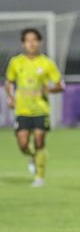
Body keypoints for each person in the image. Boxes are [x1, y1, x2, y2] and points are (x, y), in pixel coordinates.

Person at [4, 28, 64, 187]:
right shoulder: (16, 62)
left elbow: (60, 85)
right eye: (28, 40)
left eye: (34, 40)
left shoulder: (47, 63)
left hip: (41, 109)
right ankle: (32, 156)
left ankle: (39, 177)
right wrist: (10, 98)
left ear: (40, 42)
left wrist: (49, 89)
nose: (31, 43)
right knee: (23, 145)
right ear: (23, 43)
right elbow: (8, 82)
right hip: (22, 110)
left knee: (39, 142)